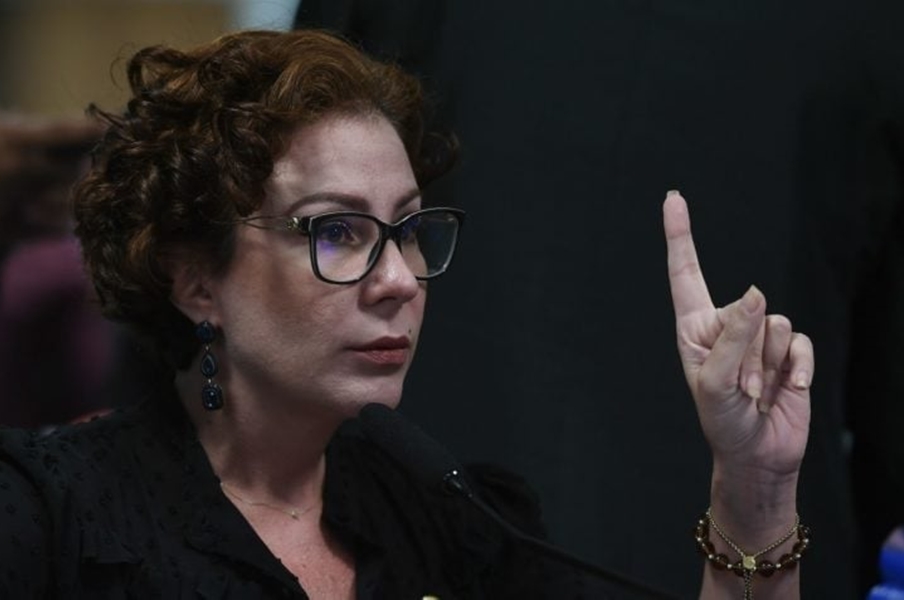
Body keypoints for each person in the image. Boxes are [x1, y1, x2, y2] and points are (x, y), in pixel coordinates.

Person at [0, 29, 813, 598]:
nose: (400, 280)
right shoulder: (52, 516)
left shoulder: (452, 520)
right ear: (194, 282)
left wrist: (755, 484)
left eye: (410, 231)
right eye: (337, 231)